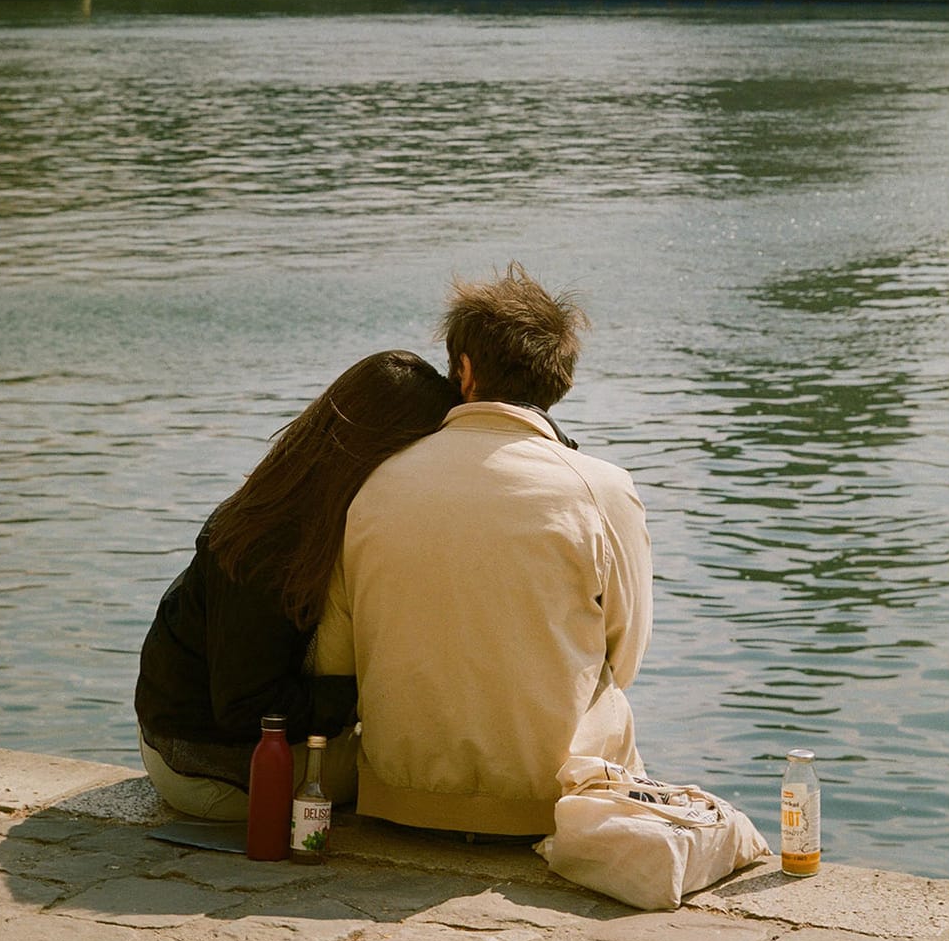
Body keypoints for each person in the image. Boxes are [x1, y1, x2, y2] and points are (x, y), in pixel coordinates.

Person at [316, 265, 652, 838]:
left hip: (402, 800)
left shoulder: (375, 484)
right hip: (547, 804)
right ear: (561, 378)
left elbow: (335, 660)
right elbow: (625, 658)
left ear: (464, 371)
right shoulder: (604, 489)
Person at [134, 350, 455, 820]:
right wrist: (370, 696)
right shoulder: (270, 544)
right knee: (427, 767)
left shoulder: (305, 504)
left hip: (197, 743)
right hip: (210, 768)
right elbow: (247, 708)